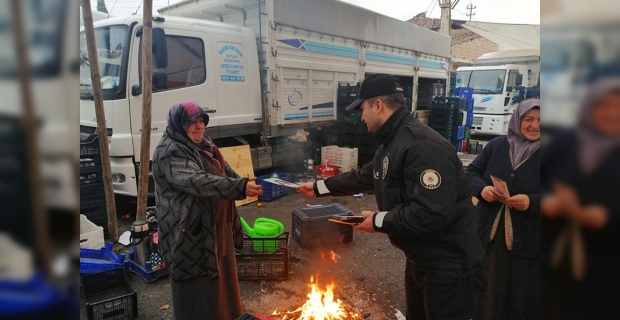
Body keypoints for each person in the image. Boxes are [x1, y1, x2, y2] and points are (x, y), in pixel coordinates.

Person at [298, 74, 487, 320]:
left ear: (378, 105)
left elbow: (430, 213)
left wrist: (378, 221)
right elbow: (369, 174)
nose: (361, 117)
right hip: (421, 259)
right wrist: (320, 187)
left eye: (363, 109)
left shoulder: (422, 146)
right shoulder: (393, 139)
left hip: (449, 267)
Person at [152, 101, 263, 320]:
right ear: (178, 124)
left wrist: (242, 181)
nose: (199, 126)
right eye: (192, 122)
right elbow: (197, 181)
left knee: (222, 285)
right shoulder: (169, 152)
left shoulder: (205, 143)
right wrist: (238, 188)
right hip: (188, 234)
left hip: (214, 227)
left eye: (202, 121)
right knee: (198, 293)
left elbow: (223, 169)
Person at [540, 78, 620, 319]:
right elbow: (540, 178)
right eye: (604, 106)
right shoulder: (566, 142)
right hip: (556, 258)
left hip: (609, 265)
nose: (612, 113)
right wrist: (547, 202)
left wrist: (606, 217)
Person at [465, 98, 541, 320]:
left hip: (528, 240)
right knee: (487, 291)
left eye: (540, 120)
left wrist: (532, 201)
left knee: (520, 295)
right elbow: (471, 172)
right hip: (488, 235)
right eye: (528, 119)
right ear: (518, 120)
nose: (535, 125)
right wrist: (482, 189)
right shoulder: (497, 145)